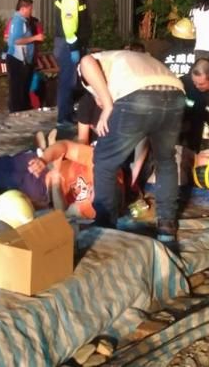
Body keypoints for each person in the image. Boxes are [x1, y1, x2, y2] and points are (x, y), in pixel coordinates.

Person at [78, 50, 185, 245]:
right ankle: (167, 226)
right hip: (176, 94)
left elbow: (85, 62)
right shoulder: (127, 59)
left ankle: (104, 226)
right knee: (166, 160)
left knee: (104, 161)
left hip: (138, 94)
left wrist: (108, 106)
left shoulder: (98, 60)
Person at [53, 0, 99, 125]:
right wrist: (73, 47)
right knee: (68, 81)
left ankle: (69, 113)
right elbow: (69, 23)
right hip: (68, 44)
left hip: (73, 43)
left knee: (73, 81)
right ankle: (63, 118)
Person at [5, 0, 44, 112]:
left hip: (23, 59)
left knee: (23, 88)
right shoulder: (18, 21)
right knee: (17, 89)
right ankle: (17, 111)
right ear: (23, 8)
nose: (31, 11)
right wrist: (35, 38)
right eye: (30, 9)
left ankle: (23, 108)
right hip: (17, 59)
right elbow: (16, 41)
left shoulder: (22, 21)